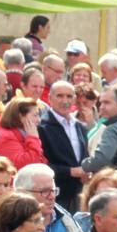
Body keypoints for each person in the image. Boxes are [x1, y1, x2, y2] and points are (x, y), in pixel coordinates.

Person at [38, 80, 89, 212]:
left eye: (69, 96)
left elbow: (84, 157)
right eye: (60, 96)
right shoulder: (42, 127)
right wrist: (70, 171)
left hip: (78, 194)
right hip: (53, 195)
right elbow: (40, 164)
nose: (64, 100)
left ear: (74, 99)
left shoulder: (80, 127)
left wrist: (87, 171)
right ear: (50, 98)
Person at [0, 95, 46, 168]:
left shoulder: (23, 134)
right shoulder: (6, 137)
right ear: (20, 116)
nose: (39, 120)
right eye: (35, 115)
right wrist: (33, 138)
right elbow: (26, 165)